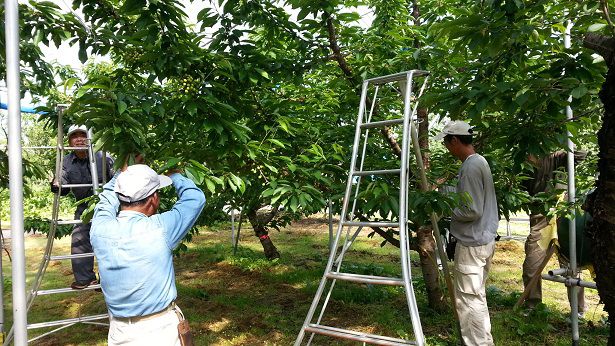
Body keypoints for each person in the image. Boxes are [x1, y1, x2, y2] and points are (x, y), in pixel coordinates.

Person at [91, 163, 205, 345]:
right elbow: (195, 199)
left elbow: (105, 201)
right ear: (154, 198)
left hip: (119, 331)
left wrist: (121, 174)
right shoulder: (160, 228)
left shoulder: (99, 228)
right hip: (159, 332)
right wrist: (175, 175)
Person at [436, 120, 499, 346]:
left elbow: (471, 209)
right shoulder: (478, 162)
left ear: (454, 140)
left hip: (472, 244)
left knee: (469, 300)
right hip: (482, 239)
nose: (446, 147)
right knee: (476, 297)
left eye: (446, 142)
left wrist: (444, 208)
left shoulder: (471, 166)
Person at [521, 151, 586, 314]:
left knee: (570, 265)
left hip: (563, 215)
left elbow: (580, 155)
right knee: (531, 263)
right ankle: (533, 305)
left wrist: (569, 150)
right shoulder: (523, 161)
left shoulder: (556, 156)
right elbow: (522, 189)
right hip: (540, 218)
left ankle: (578, 310)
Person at [51, 124, 114, 289]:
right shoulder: (66, 162)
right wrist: (56, 183)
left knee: (109, 241)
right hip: (83, 207)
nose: (79, 139)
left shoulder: (103, 157)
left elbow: (116, 179)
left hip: (107, 204)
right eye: (74, 136)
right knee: (79, 238)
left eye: (82, 135)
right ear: (70, 141)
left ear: (89, 138)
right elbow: (61, 186)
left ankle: (110, 279)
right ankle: (86, 279)